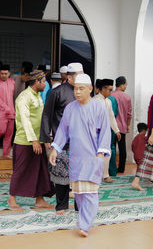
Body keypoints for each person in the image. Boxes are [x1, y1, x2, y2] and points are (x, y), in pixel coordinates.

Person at [49, 73, 111, 237]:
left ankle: (84, 224)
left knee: (90, 192)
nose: (77, 92)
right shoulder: (70, 108)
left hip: (92, 157)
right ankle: (85, 219)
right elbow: (63, 130)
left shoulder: (99, 108)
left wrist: (100, 154)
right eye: (76, 88)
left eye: (81, 89)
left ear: (90, 89)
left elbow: (105, 132)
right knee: (78, 192)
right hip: (76, 158)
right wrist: (55, 149)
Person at [7, 70, 55, 209]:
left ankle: (39, 200)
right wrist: (33, 140)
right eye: (44, 81)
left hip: (37, 140)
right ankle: (11, 198)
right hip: (24, 141)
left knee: (41, 170)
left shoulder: (38, 96)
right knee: (20, 170)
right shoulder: (24, 97)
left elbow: (40, 119)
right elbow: (25, 120)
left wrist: (45, 138)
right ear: (37, 82)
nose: (45, 83)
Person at [40, 62, 83, 215]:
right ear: (70, 77)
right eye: (79, 74)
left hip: (81, 142)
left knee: (80, 177)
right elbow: (47, 114)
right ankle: (61, 206)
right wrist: (46, 136)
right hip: (62, 141)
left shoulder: (84, 93)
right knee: (61, 176)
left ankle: (80, 207)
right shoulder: (57, 92)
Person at [94, 78, 121, 183]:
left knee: (107, 154)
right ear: (102, 89)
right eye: (109, 90)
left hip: (106, 132)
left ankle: (105, 175)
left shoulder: (109, 102)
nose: (110, 92)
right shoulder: (95, 101)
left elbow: (111, 117)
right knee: (97, 155)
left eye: (111, 90)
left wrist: (116, 130)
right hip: (96, 132)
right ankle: (95, 176)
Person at [0, 65, 15, 158]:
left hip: (11, 111)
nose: (4, 75)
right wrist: (5, 107)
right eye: (2, 73)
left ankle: (6, 154)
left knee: (9, 133)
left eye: (6, 73)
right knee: (0, 130)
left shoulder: (12, 82)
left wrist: (11, 109)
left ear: (9, 73)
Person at [111, 76, 132, 173]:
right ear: (122, 85)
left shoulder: (111, 95)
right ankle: (121, 168)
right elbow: (129, 114)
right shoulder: (127, 97)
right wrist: (128, 126)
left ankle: (112, 168)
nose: (126, 87)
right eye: (126, 85)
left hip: (112, 127)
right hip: (122, 127)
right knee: (122, 148)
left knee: (112, 147)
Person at [107, 92, 119, 176]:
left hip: (105, 127)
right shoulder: (113, 99)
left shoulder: (106, 100)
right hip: (112, 126)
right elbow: (115, 113)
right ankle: (113, 171)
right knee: (112, 148)